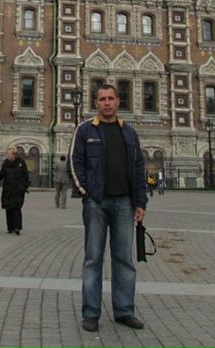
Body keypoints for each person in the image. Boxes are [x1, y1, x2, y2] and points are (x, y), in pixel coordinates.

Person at [70, 84, 147, 333]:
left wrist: (140, 202)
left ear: (118, 102)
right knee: (93, 258)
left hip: (124, 202)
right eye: (102, 99)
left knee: (124, 258)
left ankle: (124, 310)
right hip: (97, 203)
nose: (107, 103)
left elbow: (138, 167)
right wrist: (87, 194)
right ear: (96, 103)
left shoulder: (129, 132)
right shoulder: (85, 130)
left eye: (111, 98)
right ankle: (91, 313)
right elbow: (75, 162)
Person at [0, 147, 29, 234]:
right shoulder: (6, 163)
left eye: (8, 154)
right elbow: (1, 174)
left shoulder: (21, 162)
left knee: (16, 207)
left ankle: (17, 227)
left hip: (18, 189)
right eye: (7, 154)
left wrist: (23, 187)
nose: (7, 155)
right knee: (8, 208)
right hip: (8, 189)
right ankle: (10, 227)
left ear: (13, 154)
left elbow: (25, 175)